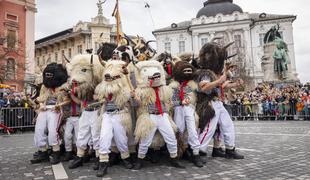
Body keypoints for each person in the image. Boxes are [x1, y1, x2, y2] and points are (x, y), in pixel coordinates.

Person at [195, 41, 244, 160]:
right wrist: (219, 80)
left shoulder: (213, 73)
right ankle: (199, 151)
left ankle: (230, 149)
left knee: (228, 125)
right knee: (209, 128)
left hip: (218, 102)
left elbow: (219, 86)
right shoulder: (205, 73)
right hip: (209, 103)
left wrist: (235, 85)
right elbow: (204, 87)